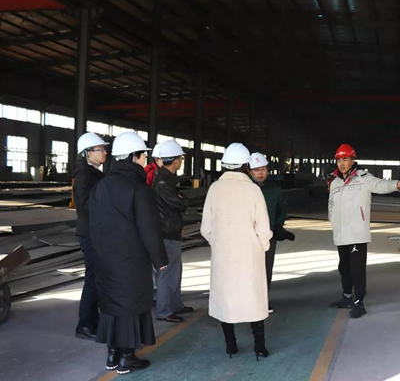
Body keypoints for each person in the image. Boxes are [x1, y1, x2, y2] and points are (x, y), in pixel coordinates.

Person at [89, 132, 168, 375]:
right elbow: (149, 228)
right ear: (134, 157)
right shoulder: (139, 189)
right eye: (143, 155)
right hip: (130, 259)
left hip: (104, 258)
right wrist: (159, 259)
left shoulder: (101, 186)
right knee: (130, 305)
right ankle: (127, 357)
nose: (145, 160)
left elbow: (93, 224)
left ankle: (112, 355)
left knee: (111, 303)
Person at [200, 143, 272, 360]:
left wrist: (218, 243)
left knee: (226, 300)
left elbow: (206, 228)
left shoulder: (214, 189)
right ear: (246, 166)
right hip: (250, 254)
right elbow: (263, 227)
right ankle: (259, 347)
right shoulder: (253, 190)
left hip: (223, 254)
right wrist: (262, 246)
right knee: (253, 298)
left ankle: (231, 346)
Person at [328, 143, 400, 319]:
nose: (341, 163)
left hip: (357, 232)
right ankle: (347, 297)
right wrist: (332, 218)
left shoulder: (363, 178)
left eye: (345, 159)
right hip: (340, 233)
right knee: (344, 267)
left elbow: (380, 185)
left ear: (352, 160)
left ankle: (359, 303)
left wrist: (396, 184)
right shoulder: (335, 182)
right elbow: (331, 204)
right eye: (339, 160)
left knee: (357, 269)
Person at [73, 132, 109, 341]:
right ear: (87, 153)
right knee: (92, 278)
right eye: (100, 149)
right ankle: (84, 324)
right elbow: (85, 205)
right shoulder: (84, 176)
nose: (104, 153)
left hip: (97, 231)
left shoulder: (95, 173)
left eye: (104, 149)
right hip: (90, 232)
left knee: (97, 278)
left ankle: (93, 319)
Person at [152, 139, 193, 323]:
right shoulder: (163, 182)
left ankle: (176, 305)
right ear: (175, 160)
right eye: (181, 158)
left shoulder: (167, 179)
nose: (181, 161)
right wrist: (183, 199)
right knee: (167, 274)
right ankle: (164, 310)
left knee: (175, 273)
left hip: (170, 233)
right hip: (166, 234)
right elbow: (181, 203)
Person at [249, 152, 294, 313]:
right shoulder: (245, 189)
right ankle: (248, 302)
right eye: (257, 170)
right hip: (248, 237)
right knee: (249, 269)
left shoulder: (274, 189)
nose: (260, 173)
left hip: (269, 235)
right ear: (250, 171)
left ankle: (263, 301)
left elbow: (282, 208)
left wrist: (277, 226)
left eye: (263, 169)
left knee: (266, 269)